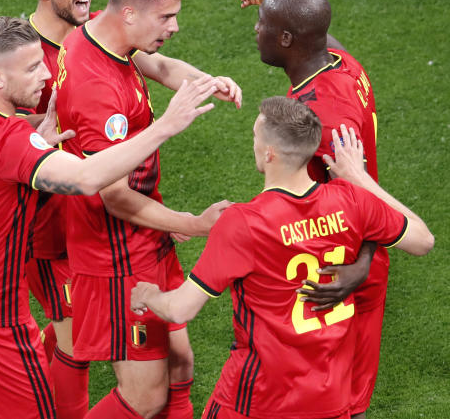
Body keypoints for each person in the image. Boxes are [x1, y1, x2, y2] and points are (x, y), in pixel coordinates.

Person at [0, 16, 220, 419]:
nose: (46, 74)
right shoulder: (10, 142)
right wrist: (164, 127)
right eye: (31, 68)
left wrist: (35, 135)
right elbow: (87, 179)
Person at [130, 97, 434, 419]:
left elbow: (180, 308)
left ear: (269, 153)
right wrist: (359, 178)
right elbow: (424, 240)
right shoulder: (353, 201)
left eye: (254, 137)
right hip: (329, 401)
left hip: (257, 401)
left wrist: (148, 293)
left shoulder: (244, 223)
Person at [55, 0, 241, 419]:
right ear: (131, 14)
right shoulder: (97, 89)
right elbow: (113, 195)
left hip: (142, 236)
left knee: (180, 365)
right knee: (144, 397)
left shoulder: (104, 33)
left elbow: (159, 64)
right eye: (167, 16)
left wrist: (205, 83)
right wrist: (194, 225)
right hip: (114, 253)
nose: (175, 26)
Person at [230, 0, 383, 418]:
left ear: (285, 38)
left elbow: (365, 192)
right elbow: (315, 33)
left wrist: (362, 263)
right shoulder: (340, 62)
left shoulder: (325, 119)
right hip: (325, 253)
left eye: (262, 22)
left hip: (344, 270)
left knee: (340, 403)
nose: (254, 29)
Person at [23, 0, 96, 419]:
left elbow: (154, 59)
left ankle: (27, 386)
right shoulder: (21, 53)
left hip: (91, 216)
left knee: (80, 329)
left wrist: (199, 80)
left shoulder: (94, 37)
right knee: (80, 338)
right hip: (47, 232)